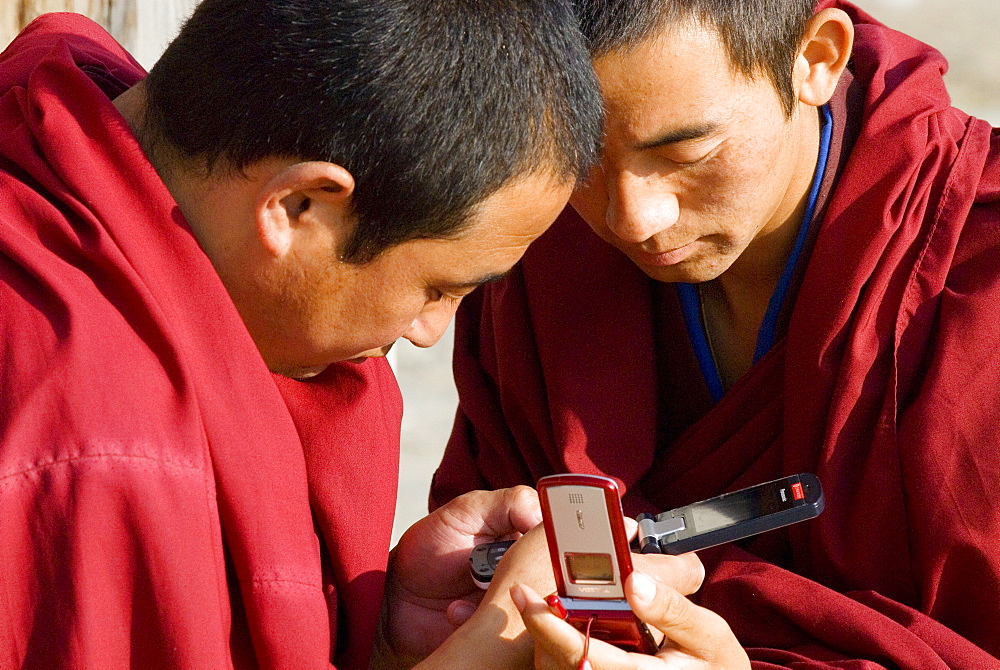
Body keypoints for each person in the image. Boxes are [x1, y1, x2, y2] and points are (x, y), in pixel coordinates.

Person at [0, 0, 606, 667]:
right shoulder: (102, 459)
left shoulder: (43, 112)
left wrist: (378, 635)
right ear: (296, 207)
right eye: (438, 288)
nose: (431, 333)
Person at [432, 0, 1000, 667]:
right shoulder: (544, 253)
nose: (633, 218)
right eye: (579, 161)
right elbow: (470, 589)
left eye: (686, 151)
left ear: (815, 59)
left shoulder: (975, 272)